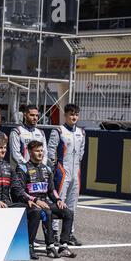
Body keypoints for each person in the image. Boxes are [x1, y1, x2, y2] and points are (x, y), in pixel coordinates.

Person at [14, 140, 77, 259]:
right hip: (30, 204)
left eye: (42, 150)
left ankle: (63, 246)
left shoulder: (47, 169)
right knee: (46, 212)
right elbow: (19, 191)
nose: (40, 153)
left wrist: (58, 199)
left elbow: (51, 190)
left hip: (45, 202)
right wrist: (35, 200)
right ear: (29, 152)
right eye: (37, 151)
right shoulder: (22, 168)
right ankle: (46, 246)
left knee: (68, 212)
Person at [48, 104, 86, 246]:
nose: (74, 117)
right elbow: (51, 151)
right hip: (62, 172)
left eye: (76, 114)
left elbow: (81, 152)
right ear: (65, 115)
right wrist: (52, 169)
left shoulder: (82, 132)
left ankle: (69, 234)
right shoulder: (58, 131)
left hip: (76, 171)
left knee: (72, 204)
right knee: (59, 202)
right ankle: (55, 233)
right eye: (71, 114)